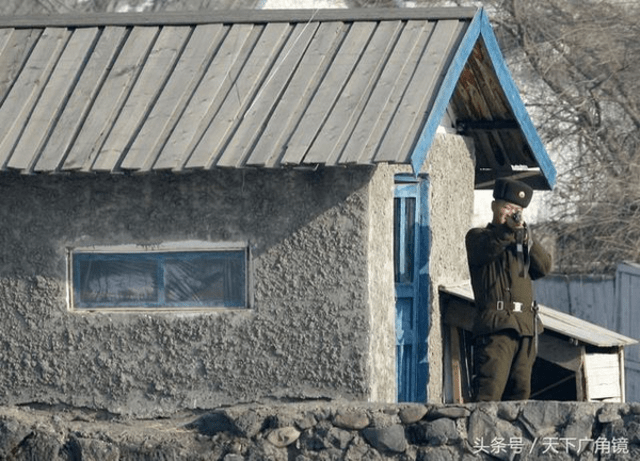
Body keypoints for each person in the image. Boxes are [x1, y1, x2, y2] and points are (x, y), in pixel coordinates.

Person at [465, 178, 552, 401]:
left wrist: (525, 236)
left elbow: (543, 268)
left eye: (517, 210)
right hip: (496, 329)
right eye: (507, 207)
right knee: (488, 393)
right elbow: (485, 250)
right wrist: (507, 231)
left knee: (520, 395)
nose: (511, 213)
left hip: (525, 328)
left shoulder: (521, 244)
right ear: (494, 206)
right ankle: (481, 437)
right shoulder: (478, 236)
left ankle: (513, 438)